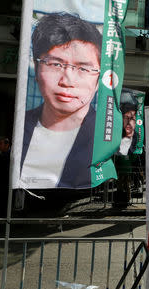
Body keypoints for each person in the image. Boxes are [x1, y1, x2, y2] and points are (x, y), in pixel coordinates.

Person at [20, 13, 102, 188]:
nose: (67, 81)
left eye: (83, 68)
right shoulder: (19, 126)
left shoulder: (105, 135)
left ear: (98, 80)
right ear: (37, 67)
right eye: (56, 64)